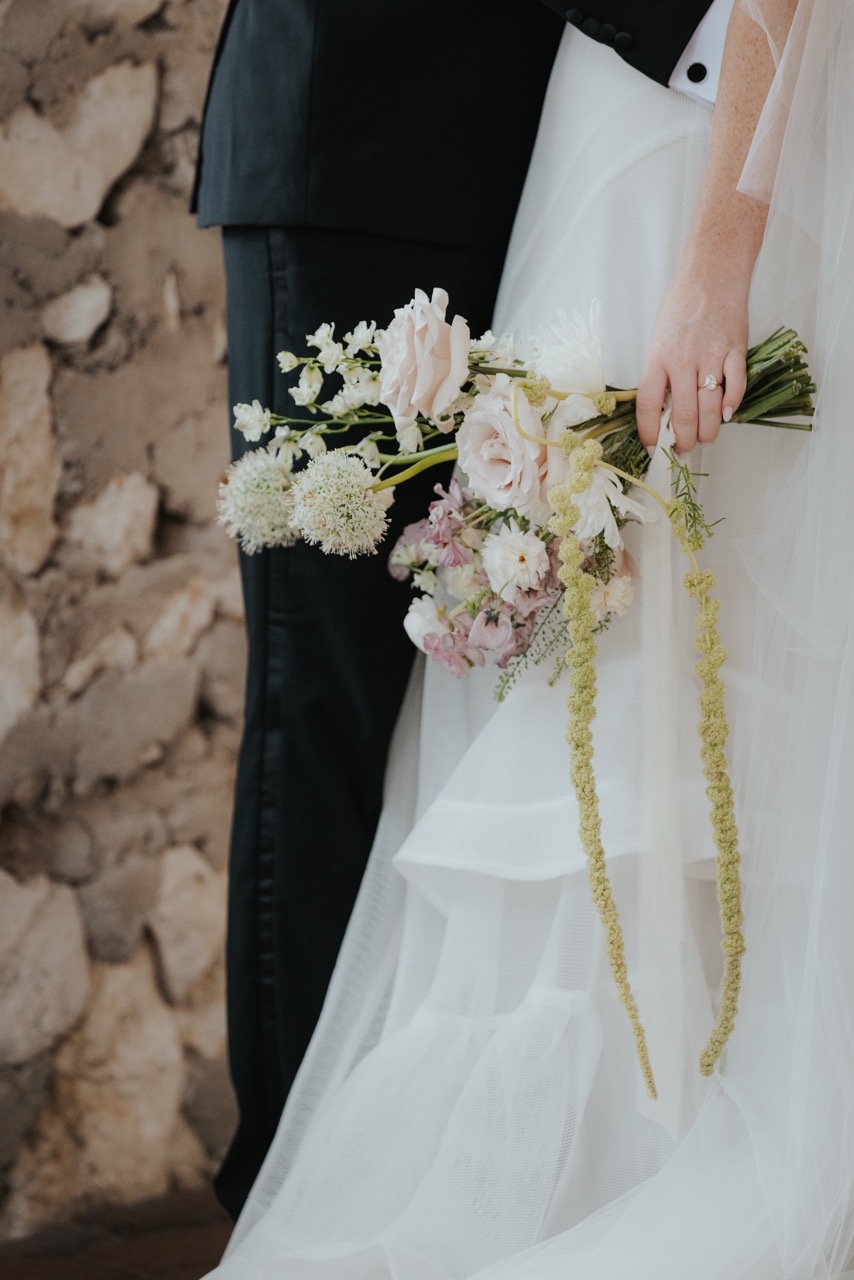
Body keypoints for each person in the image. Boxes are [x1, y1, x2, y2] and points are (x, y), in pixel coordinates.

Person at [208, 0, 854, 1274]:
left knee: (567, 658)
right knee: (330, 690)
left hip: (585, 125)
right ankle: (290, 1171)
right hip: (373, 133)